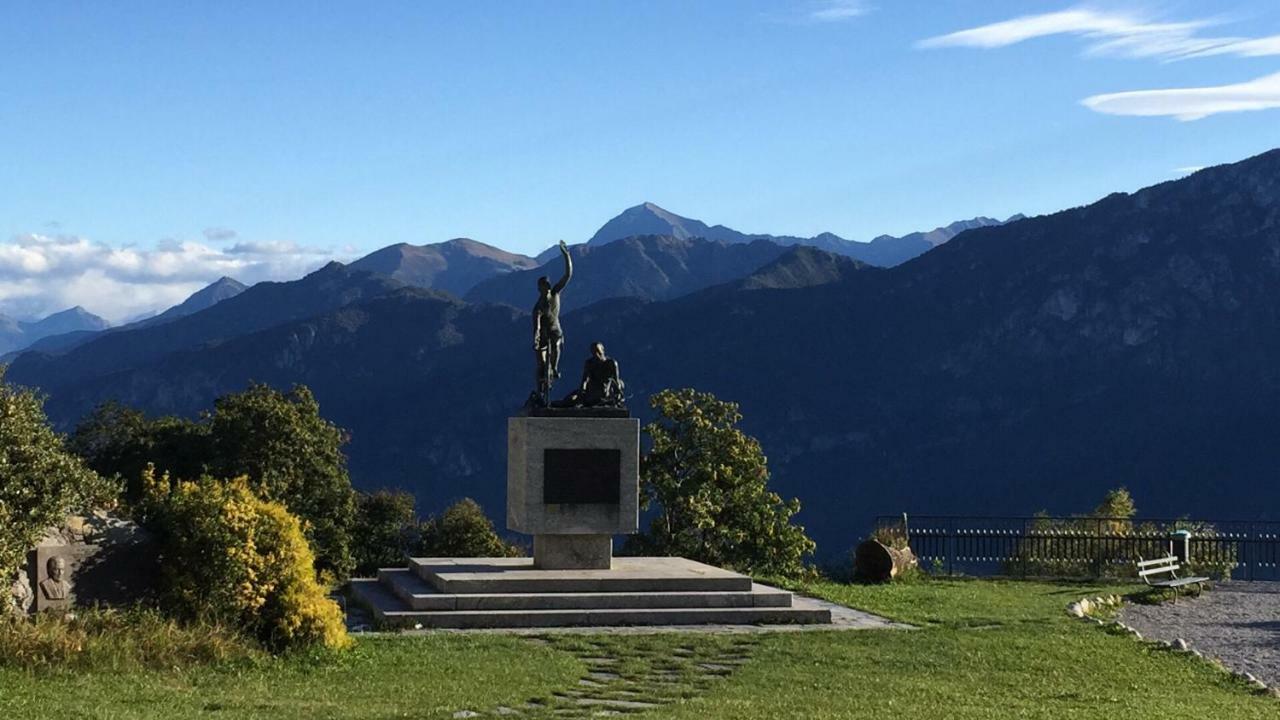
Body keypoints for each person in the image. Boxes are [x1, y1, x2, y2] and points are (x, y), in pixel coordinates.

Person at [533, 240, 572, 402]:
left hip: (555, 330)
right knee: (540, 363)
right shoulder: (538, 307)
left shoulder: (556, 293)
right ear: (540, 288)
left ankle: (554, 367)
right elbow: (536, 324)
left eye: (547, 285)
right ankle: (542, 381)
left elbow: (568, 274)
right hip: (543, 333)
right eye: (543, 286)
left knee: (556, 345)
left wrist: (566, 256)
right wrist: (535, 338)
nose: (546, 287)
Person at [559, 341, 625, 408]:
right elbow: (584, 380)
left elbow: (616, 382)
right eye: (593, 352)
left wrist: (618, 394)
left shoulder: (611, 364)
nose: (596, 354)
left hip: (602, 394)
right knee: (570, 400)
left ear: (603, 351)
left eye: (598, 351)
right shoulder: (589, 363)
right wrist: (582, 391)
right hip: (589, 393)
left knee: (573, 401)